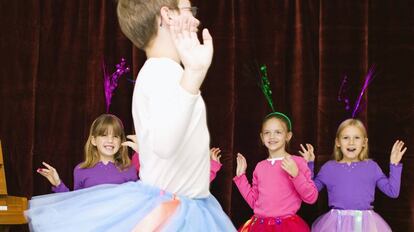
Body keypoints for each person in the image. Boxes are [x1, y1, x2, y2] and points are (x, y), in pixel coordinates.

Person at [25, 0, 236, 231]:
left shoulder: (167, 71)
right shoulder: (160, 72)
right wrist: (194, 75)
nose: (196, 20)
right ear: (167, 16)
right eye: (188, 11)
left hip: (187, 206)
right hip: (174, 213)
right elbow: (166, 144)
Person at [299, 118, 406, 232]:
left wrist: (394, 165)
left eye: (357, 138)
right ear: (338, 142)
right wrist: (308, 165)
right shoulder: (328, 168)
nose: (351, 142)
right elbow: (309, 194)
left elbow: (392, 192)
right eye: (346, 138)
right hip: (335, 225)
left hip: (366, 225)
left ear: (364, 142)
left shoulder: (372, 167)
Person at [234, 113, 318, 232]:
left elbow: (311, 197)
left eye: (278, 132)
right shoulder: (260, 167)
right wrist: (240, 177)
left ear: (288, 136)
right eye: (267, 133)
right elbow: (254, 203)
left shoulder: (297, 162)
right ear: (262, 137)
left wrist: (296, 175)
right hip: (259, 226)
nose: (272, 136)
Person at [37, 114, 137, 192]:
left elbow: (139, 200)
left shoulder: (129, 169)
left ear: (120, 142)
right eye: (104, 135)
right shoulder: (81, 170)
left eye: (115, 136)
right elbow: (76, 204)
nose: (110, 140)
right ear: (93, 140)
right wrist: (58, 184)